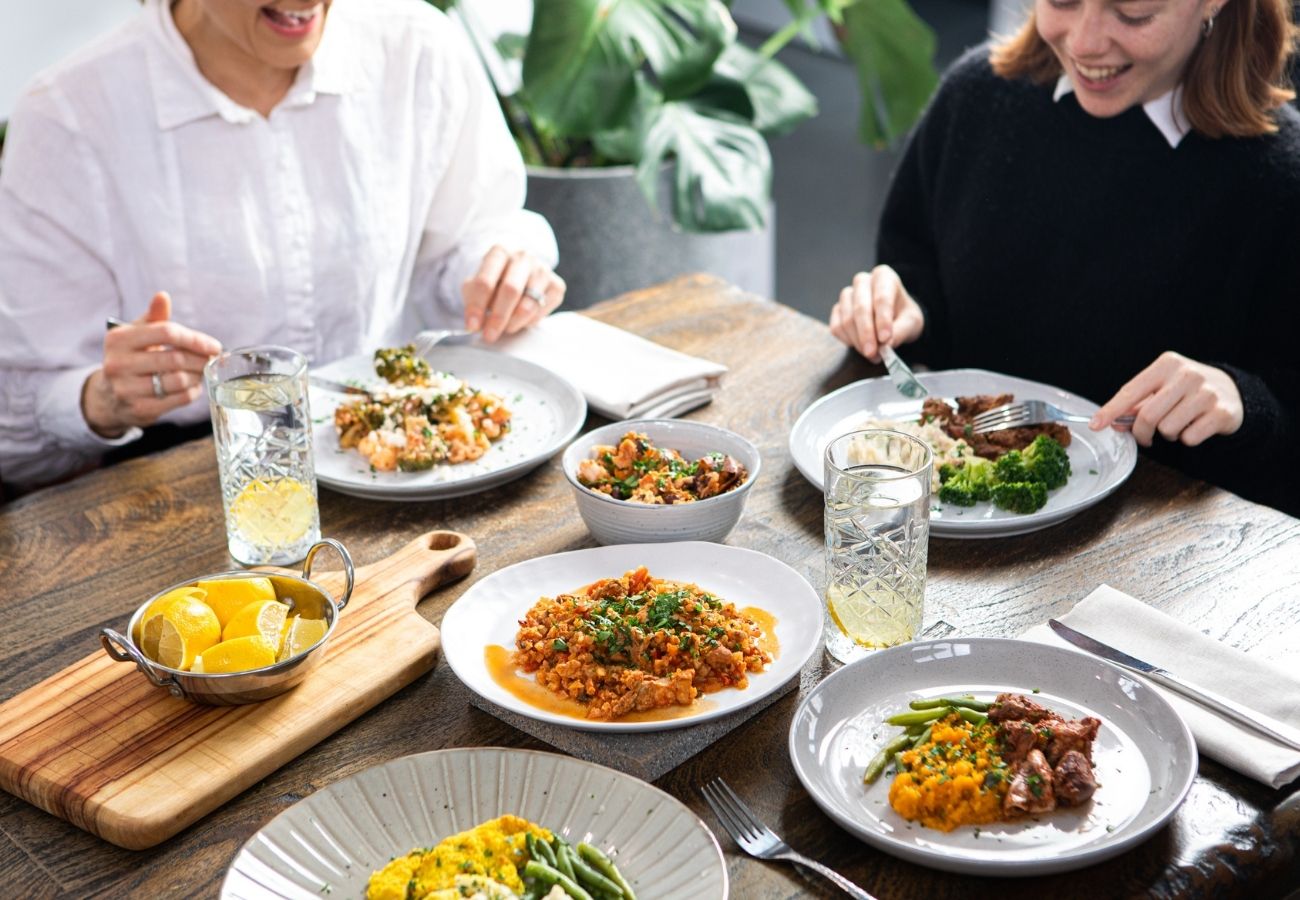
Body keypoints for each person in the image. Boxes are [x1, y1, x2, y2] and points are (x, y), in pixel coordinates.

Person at [0, 0, 564, 492]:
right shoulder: (69, 116)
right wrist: (100, 399)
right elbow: (20, 412)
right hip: (184, 485)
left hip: (410, 460)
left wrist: (503, 266)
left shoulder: (416, 47)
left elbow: (473, 237)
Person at [830, 0, 1300, 517]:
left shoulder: (1281, 180)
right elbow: (919, 272)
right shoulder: (976, 98)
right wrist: (906, 309)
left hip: (1162, 566)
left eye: (1133, 15)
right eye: (1062, 1)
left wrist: (1242, 401)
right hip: (955, 546)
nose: (1084, 42)